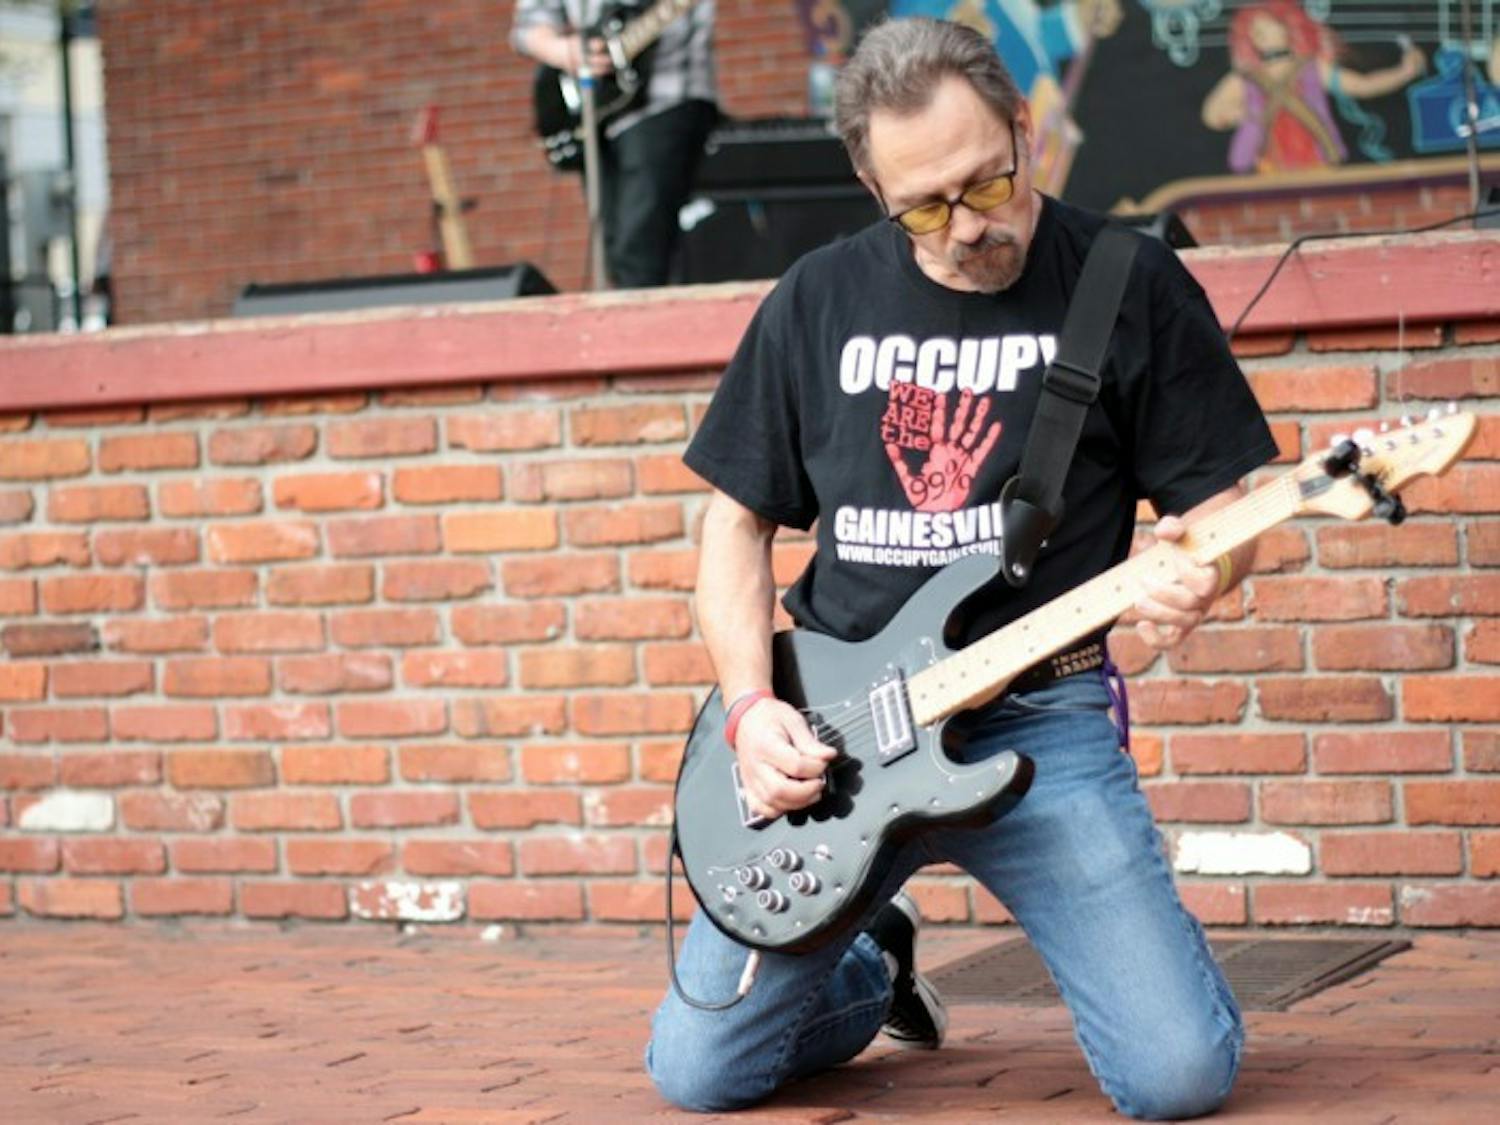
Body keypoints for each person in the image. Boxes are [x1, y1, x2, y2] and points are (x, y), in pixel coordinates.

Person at [647, 17, 1279, 1119]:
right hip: (836, 736)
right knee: (698, 1075)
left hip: (1041, 719)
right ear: (868, 179)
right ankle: (868, 970)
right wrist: (751, 711)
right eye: (926, 207)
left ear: (1025, 127)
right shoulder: (815, 298)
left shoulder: (1128, 280)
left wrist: (1203, 574)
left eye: (990, 182)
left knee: (1177, 1080)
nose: (969, 227)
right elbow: (733, 528)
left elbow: (1224, 513)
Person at [511, 0, 719, 288]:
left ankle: (647, 325)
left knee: (641, 243)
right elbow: (529, 25)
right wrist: (566, 51)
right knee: (613, 244)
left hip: (666, 99)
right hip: (596, 107)